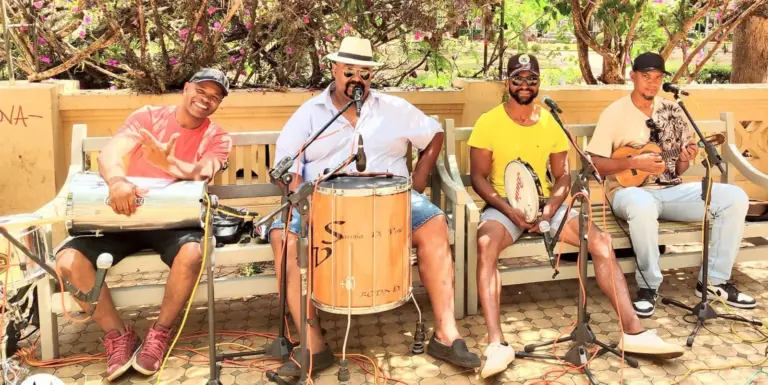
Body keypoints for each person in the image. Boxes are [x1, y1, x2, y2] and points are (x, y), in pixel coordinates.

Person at [269, 36, 481, 376]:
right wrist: (299, 193)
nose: (357, 79)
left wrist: (421, 178)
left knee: (434, 224)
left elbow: (434, 134)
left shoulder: (394, 109)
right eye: (349, 71)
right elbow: (285, 165)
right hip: (326, 204)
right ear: (334, 70)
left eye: (364, 73)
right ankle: (312, 346)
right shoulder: (310, 114)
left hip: (390, 200)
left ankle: (445, 334)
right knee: (284, 238)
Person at [468, 53, 685, 378]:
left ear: (539, 83)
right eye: (518, 79)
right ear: (507, 83)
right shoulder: (488, 122)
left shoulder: (550, 122)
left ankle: (633, 332)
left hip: (547, 206)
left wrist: (550, 208)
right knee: (485, 245)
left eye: (531, 79)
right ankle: (497, 344)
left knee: (600, 241)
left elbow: (563, 177)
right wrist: (507, 208)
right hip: (504, 205)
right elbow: (478, 177)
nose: (525, 85)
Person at [54, 69, 233, 381]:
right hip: (123, 213)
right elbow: (111, 152)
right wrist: (117, 181)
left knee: (192, 254)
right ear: (186, 87)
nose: (205, 99)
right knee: (68, 262)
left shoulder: (217, 137)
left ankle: (159, 334)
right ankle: (118, 336)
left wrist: (168, 165)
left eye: (214, 96)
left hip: (176, 221)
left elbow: (203, 173)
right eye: (201, 90)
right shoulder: (148, 117)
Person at [586, 52, 755, 318]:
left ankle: (713, 281)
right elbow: (595, 162)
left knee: (734, 197)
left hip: (672, 192)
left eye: (657, 78)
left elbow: (677, 167)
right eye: (646, 77)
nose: (652, 84)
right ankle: (648, 287)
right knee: (642, 205)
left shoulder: (672, 110)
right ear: (633, 77)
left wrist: (686, 158)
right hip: (629, 193)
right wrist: (636, 163)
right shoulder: (615, 113)